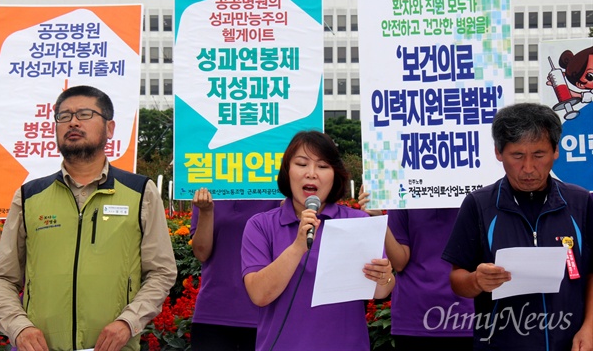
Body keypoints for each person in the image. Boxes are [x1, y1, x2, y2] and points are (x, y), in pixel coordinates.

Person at [0, 85, 177, 351]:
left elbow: (161, 271)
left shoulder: (139, 192)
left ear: (110, 128)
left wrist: (128, 322)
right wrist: (19, 327)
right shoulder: (29, 195)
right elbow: (2, 277)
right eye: (64, 116)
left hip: (114, 346)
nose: (73, 122)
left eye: (85, 114)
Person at [441, 102, 593, 350]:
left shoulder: (580, 202)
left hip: (570, 342)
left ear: (556, 151)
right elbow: (457, 279)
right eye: (518, 156)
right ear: (499, 153)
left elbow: (590, 272)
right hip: (500, 343)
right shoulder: (479, 205)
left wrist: (590, 326)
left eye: (539, 155)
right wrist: (477, 281)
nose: (529, 168)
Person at [241, 130, 395, 351]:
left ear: (335, 176)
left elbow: (381, 292)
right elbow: (259, 294)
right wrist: (297, 247)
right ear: (287, 170)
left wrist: (385, 278)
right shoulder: (260, 225)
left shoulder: (357, 221)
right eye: (302, 164)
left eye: (323, 167)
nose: (311, 174)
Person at [358, 189, 473, 350]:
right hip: (415, 315)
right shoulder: (403, 190)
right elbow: (399, 262)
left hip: (469, 313)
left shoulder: (479, 191)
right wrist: (378, 218)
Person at [189, 188, 282, 351]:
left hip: (266, 315)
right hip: (214, 314)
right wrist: (205, 211)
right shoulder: (207, 191)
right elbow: (201, 253)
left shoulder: (277, 191)